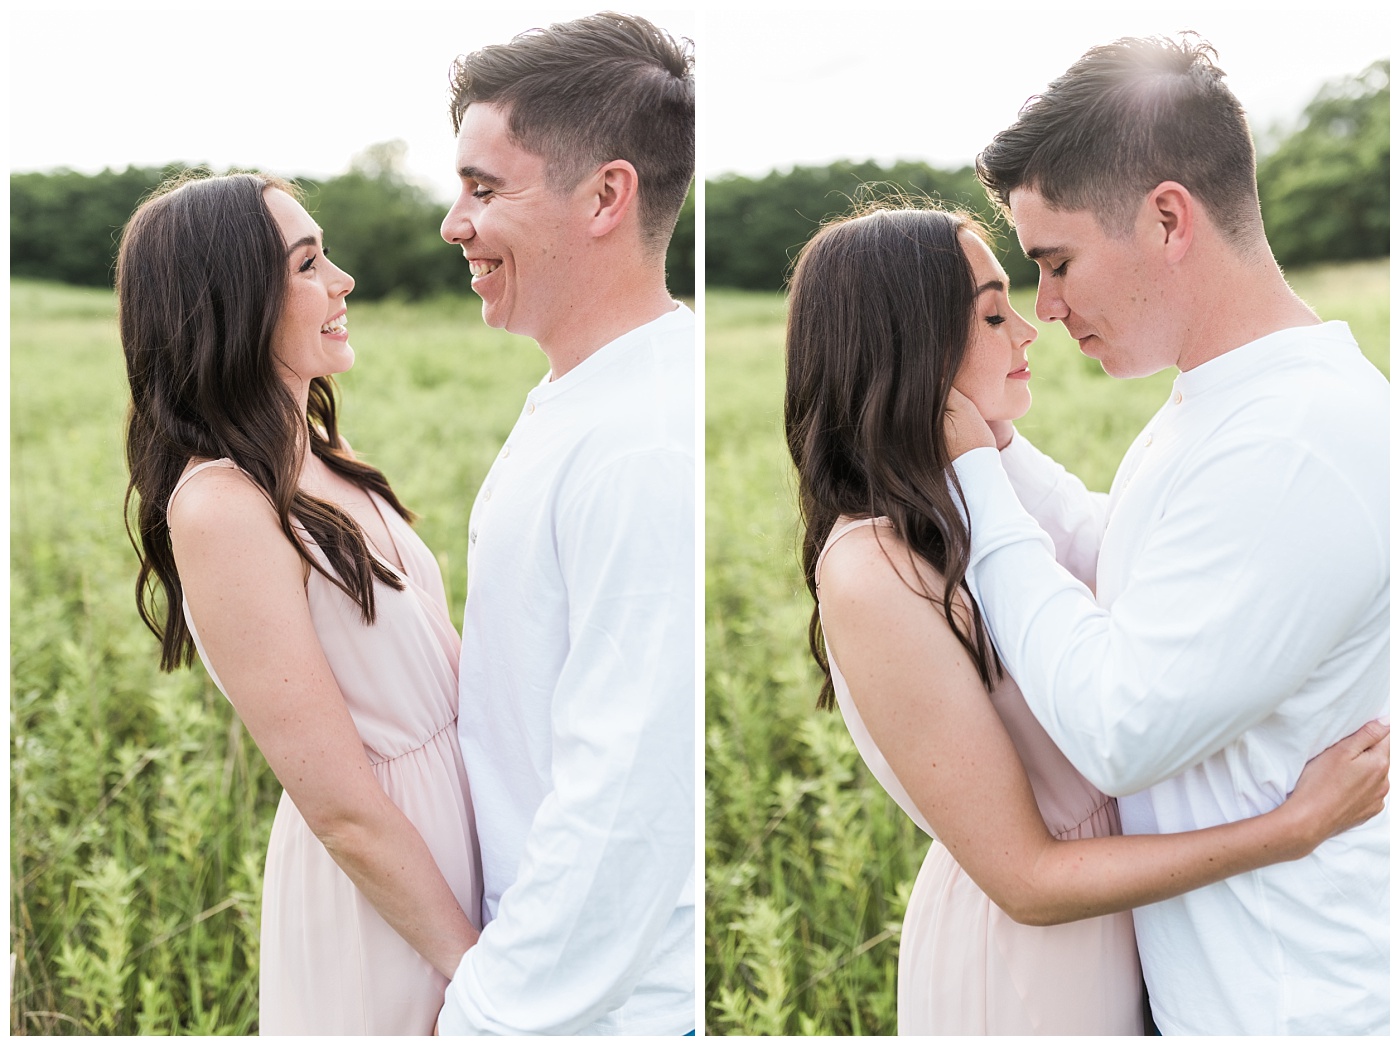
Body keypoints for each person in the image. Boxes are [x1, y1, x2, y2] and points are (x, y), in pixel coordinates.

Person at [784, 202, 1389, 1035]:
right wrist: (1288, 830)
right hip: (1031, 976)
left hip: (1129, 937)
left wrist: (982, 447)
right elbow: (1029, 880)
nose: (1032, 327)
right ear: (910, 348)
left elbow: (1122, 576)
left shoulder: (977, 504)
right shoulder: (870, 572)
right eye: (995, 313)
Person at [940, 35, 1389, 1034]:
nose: (1045, 310)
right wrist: (984, 440)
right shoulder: (1229, 407)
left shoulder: (1295, 444)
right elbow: (1132, 564)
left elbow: (1117, 725)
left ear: (1166, 218)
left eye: (1055, 263)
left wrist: (974, 472)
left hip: (1290, 1008)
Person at [119, 171, 482, 1034]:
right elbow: (341, 809)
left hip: (458, 842)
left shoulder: (320, 448)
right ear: (231, 299)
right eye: (309, 262)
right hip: (385, 898)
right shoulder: (220, 506)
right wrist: (479, 971)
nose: (342, 280)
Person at [434, 12, 696, 1036]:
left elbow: (625, 798)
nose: (453, 222)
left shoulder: (640, 438)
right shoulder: (585, 396)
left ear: (604, 195)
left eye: (484, 188)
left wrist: (490, 1015)